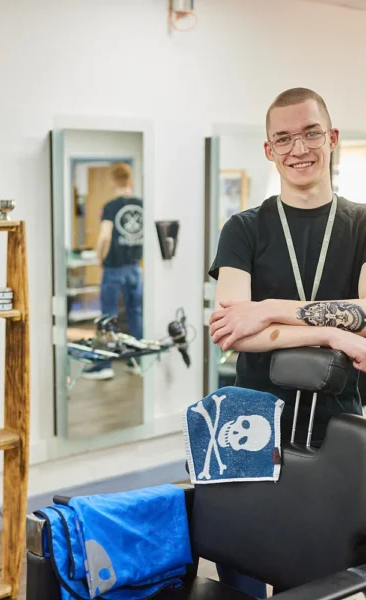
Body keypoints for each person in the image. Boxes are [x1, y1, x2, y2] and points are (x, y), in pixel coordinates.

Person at [208, 87, 366, 597]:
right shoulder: (243, 229)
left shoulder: (363, 224)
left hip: (339, 424)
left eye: (311, 132)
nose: (299, 148)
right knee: (241, 563)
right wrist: (331, 332)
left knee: (326, 573)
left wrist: (270, 310)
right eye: (284, 138)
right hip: (248, 420)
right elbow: (235, 331)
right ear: (269, 150)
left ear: (332, 138)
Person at [82, 163, 144, 380]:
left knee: (107, 317)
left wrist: (99, 257)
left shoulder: (111, 206)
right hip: (135, 268)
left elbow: (105, 236)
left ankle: (103, 365)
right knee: (136, 315)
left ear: (112, 182)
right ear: (130, 180)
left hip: (114, 268)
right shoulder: (142, 205)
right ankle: (137, 361)